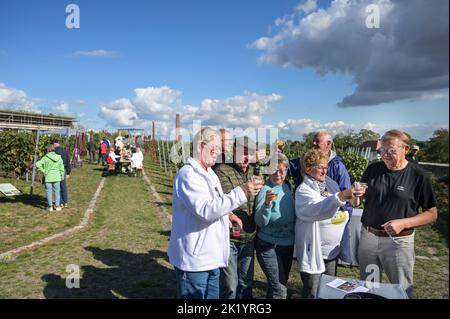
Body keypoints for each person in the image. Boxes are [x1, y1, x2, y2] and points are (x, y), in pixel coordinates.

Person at [167, 127, 263, 299]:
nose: (217, 152)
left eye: (219, 148)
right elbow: (205, 210)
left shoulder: (209, 173)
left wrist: (228, 215)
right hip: (195, 261)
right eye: (213, 147)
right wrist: (241, 192)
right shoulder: (188, 175)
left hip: (211, 256)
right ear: (199, 147)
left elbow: (216, 202)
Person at [356, 130, 437, 298]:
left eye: (391, 150)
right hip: (368, 239)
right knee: (370, 287)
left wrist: (403, 223)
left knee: (401, 290)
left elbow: (431, 213)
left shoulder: (419, 175)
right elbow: (359, 199)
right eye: (382, 150)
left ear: (405, 149)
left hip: (398, 243)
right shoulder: (373, 169)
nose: (385, 155)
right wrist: (355, 196)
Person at [294, 148, 355, 298]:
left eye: (326, 166)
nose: (324, 171)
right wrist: (340, 196)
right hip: (314, 251)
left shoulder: (329, 184)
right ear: (309, 168)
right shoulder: (303, 190)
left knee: (329, 291)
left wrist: (353, 200)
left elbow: (340, 207)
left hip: (331, 252)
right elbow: (319, 209)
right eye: (320, 167)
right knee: (312, 293)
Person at [288, 131, 354, 266]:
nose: (313, 143)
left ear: (329, 144)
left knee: (328, 279)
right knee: (313, 280)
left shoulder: (337, 167)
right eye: (313, 140)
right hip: (311, 235)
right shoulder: (304, 164)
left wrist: (340, 223)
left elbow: (346, 201)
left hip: (330, 241)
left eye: (317, 141)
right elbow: (285, 167)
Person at [254, 153, 295, 299]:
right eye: (274, 170)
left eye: (282, 170)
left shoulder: (288, 187)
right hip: (268, 245)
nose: (278, 174)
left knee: (276, 285)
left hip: (288, 245)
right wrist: (266, 204)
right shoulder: (265, 190)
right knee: (280, 290)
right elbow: (260, 221)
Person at [36, 145, 65, 212]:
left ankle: (50, 207)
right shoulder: (59, 157)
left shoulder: (45, 158)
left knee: (49, 192)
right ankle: (57, 206)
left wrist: (43, 171)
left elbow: (37, 164)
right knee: (57, 192)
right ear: (54, 150)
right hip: (57, 177)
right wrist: (62, 175)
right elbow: (61, 167)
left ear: (48, 150)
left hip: (48, 177)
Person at [52, 140, 71, 208]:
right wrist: (68, 172)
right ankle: (65, 202)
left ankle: (60, 202)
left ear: (54, 144)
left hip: (57, 170)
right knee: (63, 186)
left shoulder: (54, 152)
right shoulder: (65, 151)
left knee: (57, 186)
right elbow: (68, 161)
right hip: (64, 169)